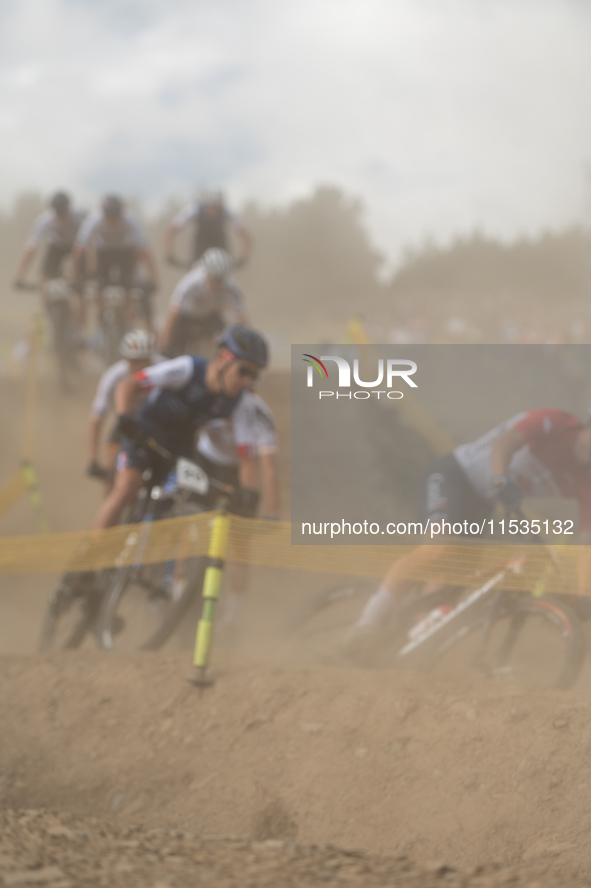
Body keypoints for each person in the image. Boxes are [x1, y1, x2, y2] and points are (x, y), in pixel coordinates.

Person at [345, 407, 591, 657]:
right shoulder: (557, 421)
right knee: (439, 551)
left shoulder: (588, 480)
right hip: (453, 476)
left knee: (449, 588)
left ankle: (401, 648)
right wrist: (501, 479)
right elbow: (503, 445)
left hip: (483, 502)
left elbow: (586, 544)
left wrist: (584, 594)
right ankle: (365, 625)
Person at [92, 324, 269, 531]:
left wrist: (249, 493)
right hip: (145, 433)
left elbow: (247, 457)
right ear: (223, 358)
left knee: (174, 512)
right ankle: (92, 558)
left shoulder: (241, 403)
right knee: (126, 488)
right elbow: (128, 384)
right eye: (243, 371)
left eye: (254, 376)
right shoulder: (189, 368)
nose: (247, 381)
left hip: (181, 450)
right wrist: (124, 417)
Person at [196, 389, 281, 629]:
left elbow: (268, 466)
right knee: (190, 529)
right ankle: (178, 591)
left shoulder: (260, 414)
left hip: (240, 474)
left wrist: (272, 512)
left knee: (239, 545)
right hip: (206, 461)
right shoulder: (212, 398)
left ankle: (234, 615)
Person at [87, 330, 163, 487]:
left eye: (145, 360)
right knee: (111, 469)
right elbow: (97, 418)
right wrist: (93, 459)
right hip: (125, 422)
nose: (141, 366)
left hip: (155, 422)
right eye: (135, 361)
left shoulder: (163, 366)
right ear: (125, 359)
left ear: (152, 358)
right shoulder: (113, 376)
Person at [73, 195, 159, 321]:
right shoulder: (94, 219)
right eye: (109, 217)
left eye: (116, 217)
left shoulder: (131, 219)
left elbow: (145, 251)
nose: (112, 221)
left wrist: (154, 279)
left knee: (128, 290)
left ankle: (127, 322)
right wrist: (75, 276)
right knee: (100, 291)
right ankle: (100, 324)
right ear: (103, 214)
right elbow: (79, 249)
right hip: (103, 252)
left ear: (121, 214)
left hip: (125, 252)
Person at [159, 247, 248, 357]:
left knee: (223, 340)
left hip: (210, 317)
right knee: (173, 349)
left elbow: (242, 317)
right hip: (186, 316)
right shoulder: (191, 282)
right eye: (214, 279)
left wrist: (246, 346)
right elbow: (173, 312)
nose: (217, 284)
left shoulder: (231, 286)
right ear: (206, 273)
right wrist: (165, 344)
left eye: (221, 279)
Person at [14, 191, 86, 303]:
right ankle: (47, 315)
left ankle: (80, 316)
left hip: (76, 245)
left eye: (63, 212)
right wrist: (19, 276)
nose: (61, 216)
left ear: (69, 208)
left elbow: (92, 242)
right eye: (58, 213)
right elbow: (30, 248)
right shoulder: (45, 220)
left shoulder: (81, 214)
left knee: (76, 280)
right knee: (44, 281)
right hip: (56, 246)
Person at [164, 186, 252, 267]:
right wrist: (170, 254)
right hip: (199, 254)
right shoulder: (195, 210)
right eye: (211, 207)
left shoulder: (226, 211)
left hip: (221, 252)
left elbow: (245, 233)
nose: (213, 210)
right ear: (206, 203)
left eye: (216, 207)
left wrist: (243, 257)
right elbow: (172, 228)